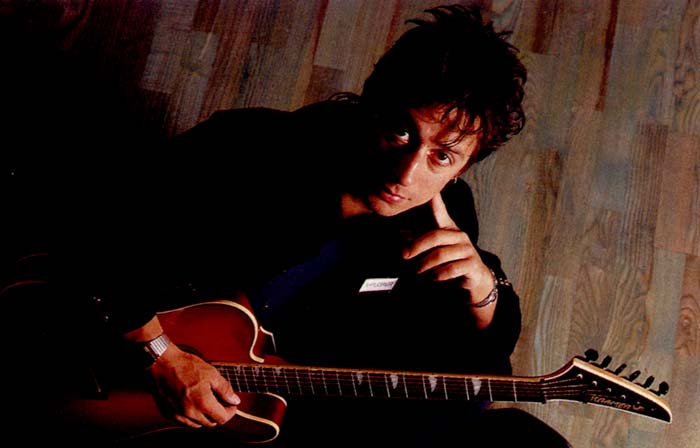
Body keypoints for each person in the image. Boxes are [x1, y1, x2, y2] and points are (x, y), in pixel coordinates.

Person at [55, 4, 569, 447]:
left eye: (442, 156)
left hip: (271, 397)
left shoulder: (443, 213)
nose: (407, 174)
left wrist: (484, 292)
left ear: (465, 166)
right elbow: (96, 242)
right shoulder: (247, 150)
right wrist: (161, 356)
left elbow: (467, 364)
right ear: (372, 105)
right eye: (400, 132)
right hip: (113, 369)